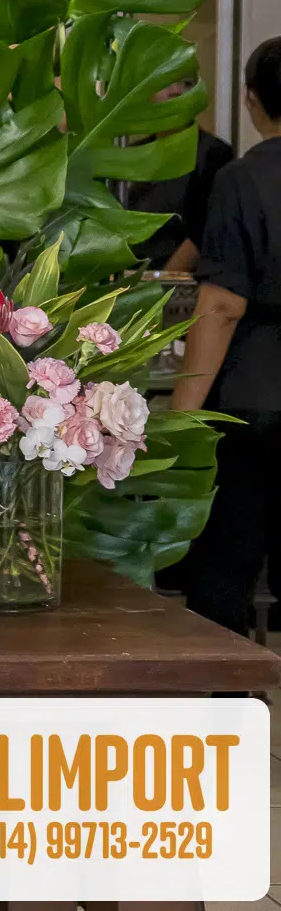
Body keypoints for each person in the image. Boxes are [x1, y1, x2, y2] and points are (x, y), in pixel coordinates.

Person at [170, 36, 281, 635]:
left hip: (255, 392)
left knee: (227, 559)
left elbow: (220, 306)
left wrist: (183, 414)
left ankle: (228, 684)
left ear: (250, 100)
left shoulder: (241, 178)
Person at [127, 78, 235, 272]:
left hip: (181, 284)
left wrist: (158, 283)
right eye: (167, 81)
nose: (176, 91)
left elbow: (202, 234)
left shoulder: (213, 154)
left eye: (187, 83)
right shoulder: (130, 154)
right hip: (126, 281)